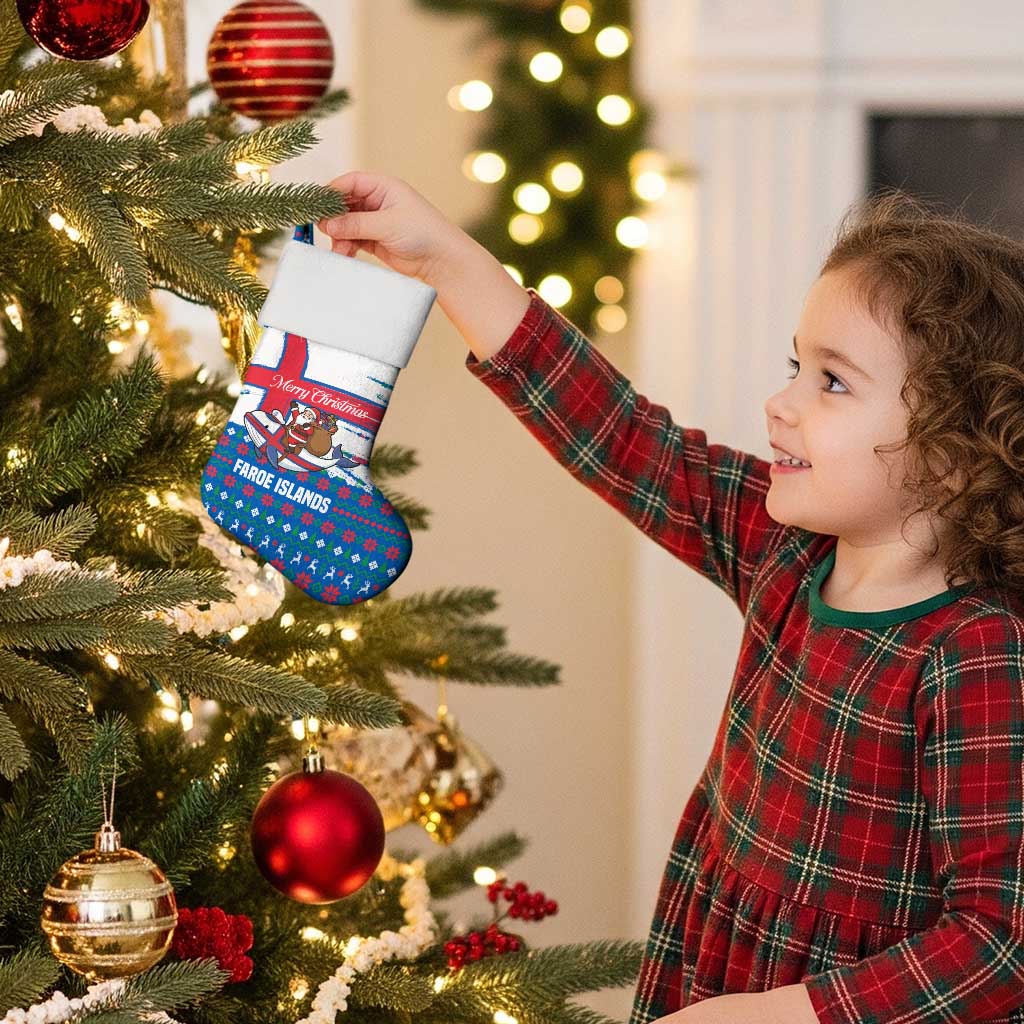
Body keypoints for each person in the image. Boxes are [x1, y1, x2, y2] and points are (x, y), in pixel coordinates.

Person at [318, 174, 1024, 1024]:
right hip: (715, 967)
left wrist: (774, 1017)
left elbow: (999, 942)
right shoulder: (788, 552)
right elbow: (623, 437)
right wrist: (447, 260)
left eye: (832, 383)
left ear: (954, 454)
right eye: (796, 367)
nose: (781, 404)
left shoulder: (977, 653)